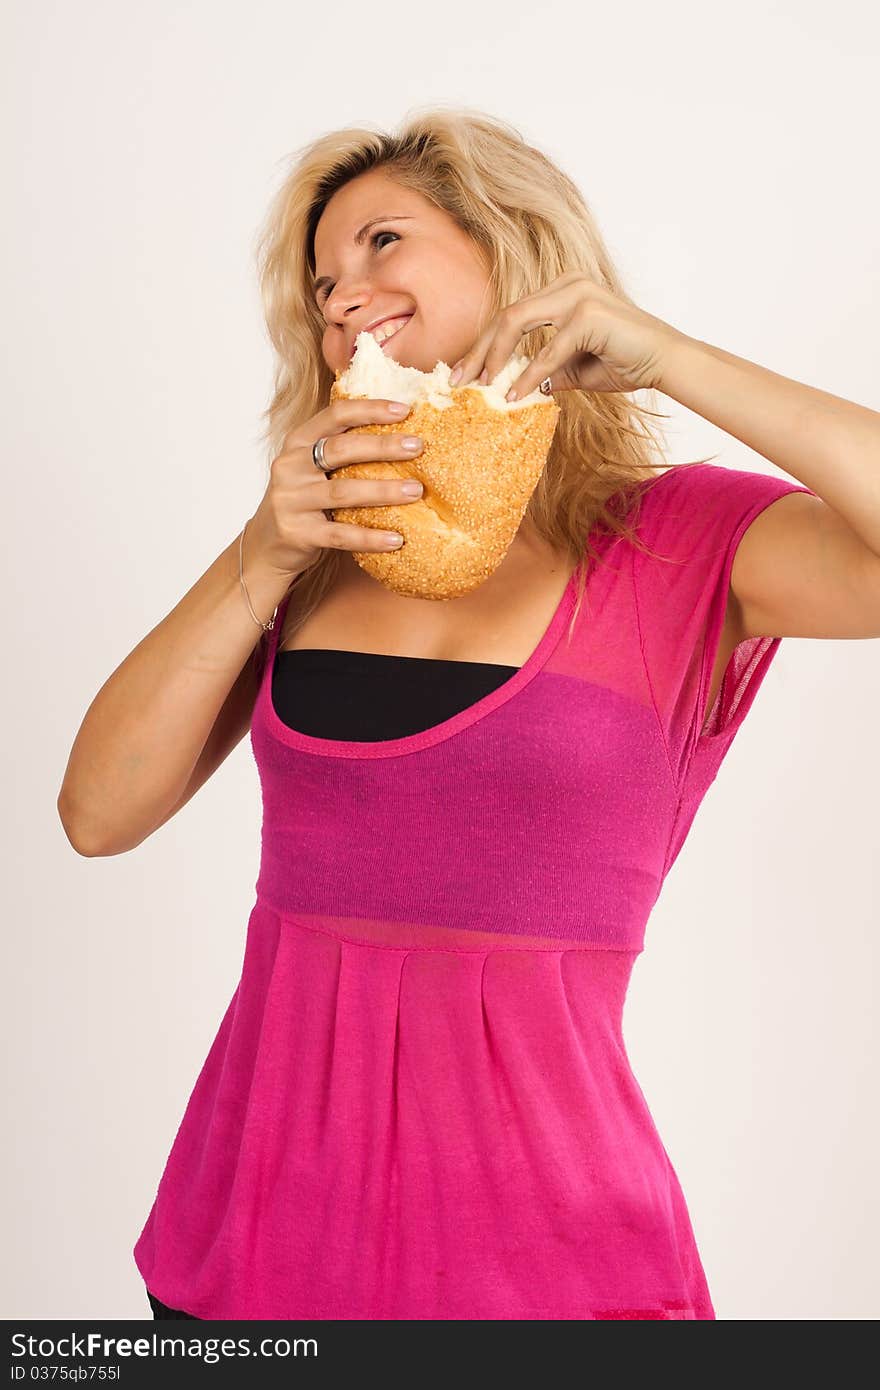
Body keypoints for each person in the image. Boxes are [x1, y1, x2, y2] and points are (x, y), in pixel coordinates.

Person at [61, 108, 880, 1320]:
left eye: (383, 242)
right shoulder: (317, 553)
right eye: (323, 283)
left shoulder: (680, 543)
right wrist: (258, 552)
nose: (345, 297)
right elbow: (96, 813)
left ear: (511, 246)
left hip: (551, 1260)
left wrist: (664, 352)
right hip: (246, 1248)